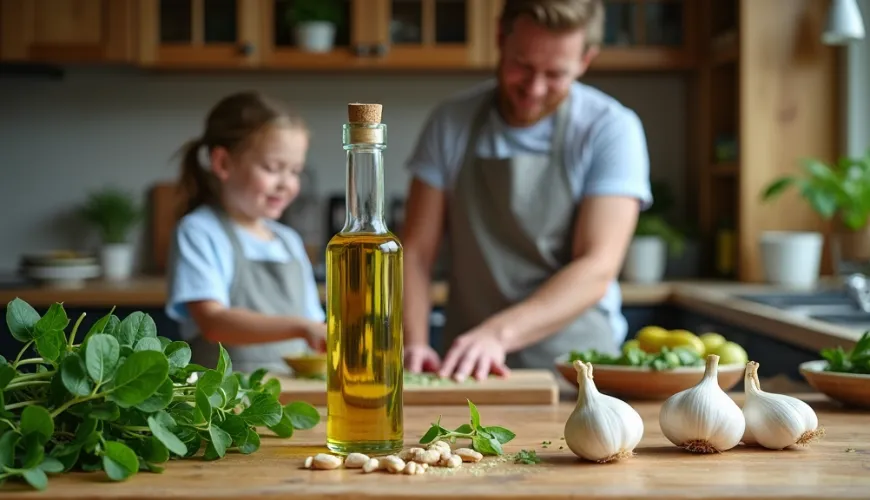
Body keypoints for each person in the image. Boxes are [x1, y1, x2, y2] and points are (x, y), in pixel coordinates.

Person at [401, 0, 653, 382]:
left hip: (577, 370)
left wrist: (497, 333)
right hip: (468, 368)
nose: (534, 89)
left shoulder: (611, 129)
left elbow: (597, 266)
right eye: (523, 66)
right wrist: (414, 343)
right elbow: (416, 253)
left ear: (586, 60)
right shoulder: (450, 122)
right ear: (500, 38)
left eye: (555, 74)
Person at [164, 91, 326, 375]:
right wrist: (301, 328)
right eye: (273, 168)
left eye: (295, 171)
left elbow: (315, 329)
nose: (286, 184)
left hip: (289, 400)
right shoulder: (200, 232)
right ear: (223, 163)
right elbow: (213, 322)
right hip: (221, 405)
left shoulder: (288, 242)